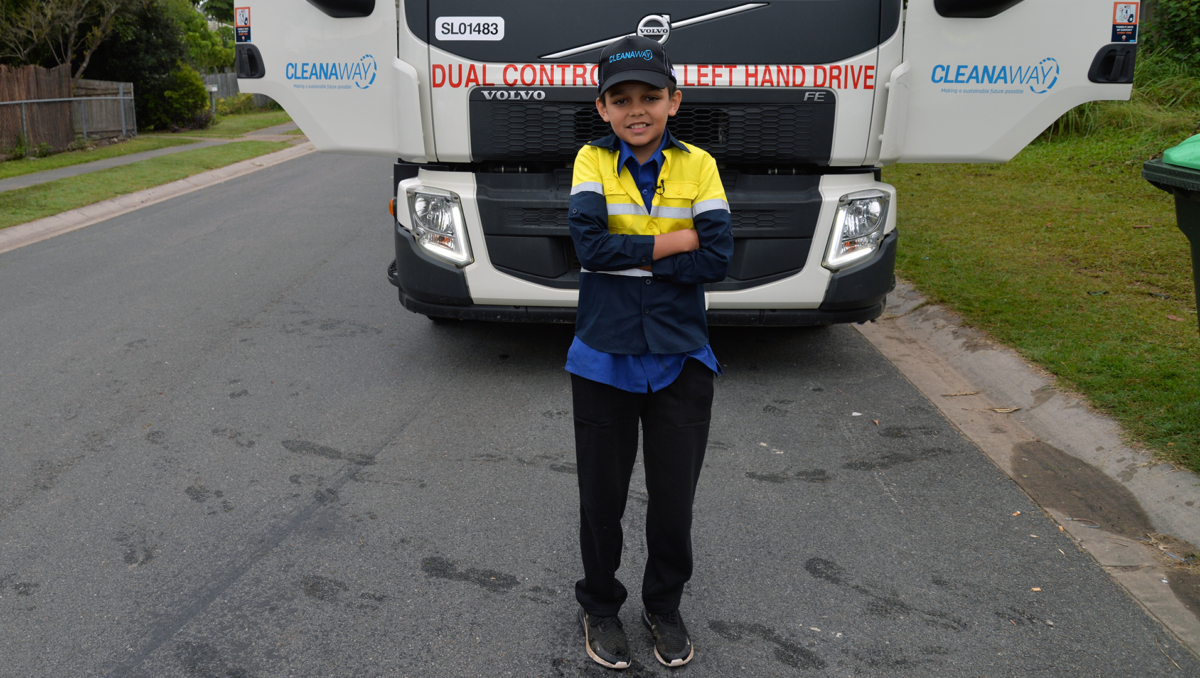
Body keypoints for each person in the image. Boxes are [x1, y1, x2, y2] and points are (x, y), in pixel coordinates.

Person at [566, 34, 734, 670]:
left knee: (673, 503)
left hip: (681, 358)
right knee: (600, 501)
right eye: (622, 98)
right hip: (603, 357)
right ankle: (600, 605)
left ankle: (663, 606)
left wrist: (632, 254)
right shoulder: (590, 160)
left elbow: (717, 256)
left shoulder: (699, 165)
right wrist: (673, 243)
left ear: (674, 100)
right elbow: (589, 250)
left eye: (651, 96)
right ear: (603, 107)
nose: (637, 109)